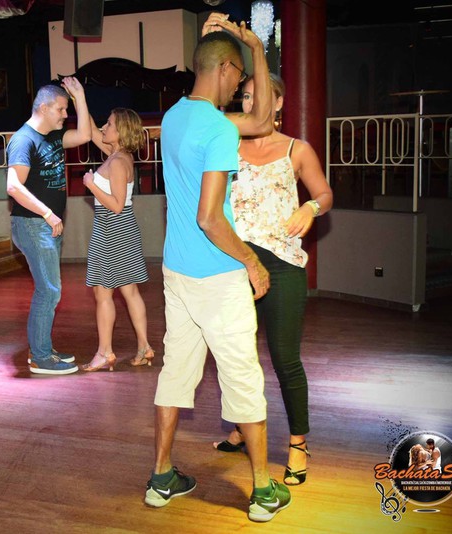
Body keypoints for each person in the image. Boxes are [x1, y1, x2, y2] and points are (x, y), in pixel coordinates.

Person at [144, 14, 292, 523]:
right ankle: (263, 490)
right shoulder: (218, 129)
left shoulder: (174, 117)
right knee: (243, 378)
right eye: (239, 78)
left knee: (175, 372)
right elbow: (210, 217)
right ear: (226, 69)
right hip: (218, 275)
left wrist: (255, 49)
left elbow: (261, 121)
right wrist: (251, 260)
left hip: (176, 272)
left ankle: (161, 477)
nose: (239, 90)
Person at [213, 74, 333, 488]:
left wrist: (310, 207)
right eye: (245, 96)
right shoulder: (228, 145)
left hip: (282, 266)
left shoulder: (297, 149)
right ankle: (242, 429)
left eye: (260, 95)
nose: (251, 102)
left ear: (278, 103)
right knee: (237, 357)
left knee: (284, 359)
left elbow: (325, 194)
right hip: (236, 265)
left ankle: (298, 444)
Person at [6, 77, 91, 375]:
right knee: (49, 291)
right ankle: (40, 357)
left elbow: (84, 135)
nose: (65, 115)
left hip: (45, 225)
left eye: (67, 109)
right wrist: (48, 214)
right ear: (43, 108)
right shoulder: (23, 140)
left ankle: (42, 349)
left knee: (50, 290)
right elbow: (13, 186)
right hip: (33, 224)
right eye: (61, 109)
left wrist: (80, 96)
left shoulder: (53, 136)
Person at [80, 108, 153, 372]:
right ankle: (143, 348)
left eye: (109, 124)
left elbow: (117, 205)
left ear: (120, 131)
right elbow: (91, 131)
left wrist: (91, 184)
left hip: (112, 228)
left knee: (103, 293)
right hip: (117, 230)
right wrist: (79, 97)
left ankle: (104, 352)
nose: (104, 127)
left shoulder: (118, 162)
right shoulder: (117, 155)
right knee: (129, 291)